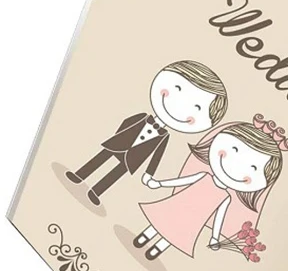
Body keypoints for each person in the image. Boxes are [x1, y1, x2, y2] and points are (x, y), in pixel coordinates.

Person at [65, 60, 228, 206]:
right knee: (100, 158)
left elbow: (157, 156)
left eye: (197, 107)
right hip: (120, 143)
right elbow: (127, 123)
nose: (180, 106)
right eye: (177, 88)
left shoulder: (164, 136)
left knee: (115, 174)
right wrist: (117, 136)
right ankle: (80, 175)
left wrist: (149, 173)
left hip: (134, 157)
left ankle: (96, 191)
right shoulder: (142, 117)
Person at [133, 118, 288, 260]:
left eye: (253, 168)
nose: (235, 167)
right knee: (164, 220)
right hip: (179, 205)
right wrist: (160, 183)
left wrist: (215, 237)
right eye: (234, 150)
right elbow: (182, 181)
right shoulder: (204, 176)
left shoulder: (225, 198)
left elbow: (219, 217)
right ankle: (145, 236)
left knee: (177, 233)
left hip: (193, 220)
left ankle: (157, 249)